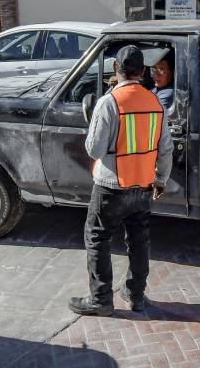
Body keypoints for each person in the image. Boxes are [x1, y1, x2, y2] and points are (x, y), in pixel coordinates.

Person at [70, 45, 174, 316]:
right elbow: (165, 149)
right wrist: (160, 179)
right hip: (143, 185)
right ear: (142, 72)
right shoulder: (156, 103)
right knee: (139, 241)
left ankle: (102, 300)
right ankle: (135, 295)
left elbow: (94, 150)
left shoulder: (109, 102)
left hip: (111, 186)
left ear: (116, 70)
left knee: (97, 238)